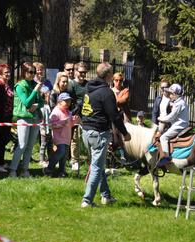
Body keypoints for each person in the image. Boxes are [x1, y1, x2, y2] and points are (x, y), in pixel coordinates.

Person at [80, 62, 131, 208]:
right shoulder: (106, 92)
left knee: (99, 165)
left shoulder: (88, 88)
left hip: (86, 131)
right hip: (98, 133)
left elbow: (83, 107)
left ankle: (106, 196)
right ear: (109, 75)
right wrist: (125, 133)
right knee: (96, 167)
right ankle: (87, 200)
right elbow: (114, 116)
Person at [9, 62, 44, 177]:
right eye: (30, 72)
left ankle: (25, 170)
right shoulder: (19, 85)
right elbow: (27, 102)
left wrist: (37, 105)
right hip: (23, 118)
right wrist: (35, 90)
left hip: (35, 118)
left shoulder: (34, 83)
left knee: (30, 146)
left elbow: (42, 102)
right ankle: (13, 170)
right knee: (22, 145)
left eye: (34, 72)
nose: (33, 74)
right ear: (24, 72)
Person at [43, 92, 79, 177]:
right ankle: (49, 168)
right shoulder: (56, 111)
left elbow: (70, 124)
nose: (68, 103)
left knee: (64, 155)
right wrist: (62, 123)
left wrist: (74, 121)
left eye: (69, 101)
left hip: (67, 137)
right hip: (59, 137)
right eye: (66, 101)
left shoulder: (68, 112)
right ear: (59, 101)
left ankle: (61, 171)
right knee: (61, 152)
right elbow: (51, 125)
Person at [157, 83, 189, 166]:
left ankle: (166, 157)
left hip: (180, 125)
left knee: (163, 137)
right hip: (179, 124)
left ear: (175, 94)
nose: (169, 96)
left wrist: (161, 119)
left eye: (171, 94)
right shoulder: (179, 102)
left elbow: (171, 117)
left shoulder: (179, 104)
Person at [33, 62, 53, 167]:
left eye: (41, 69)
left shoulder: (48, 82)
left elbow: (50, 94)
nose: (40, 71)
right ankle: (39, 157)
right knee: (40, 134)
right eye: (37, 69)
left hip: (47, 109)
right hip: (37, 110)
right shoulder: (33, 82)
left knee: (46, 135)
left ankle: (48, 158)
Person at [69, 62, 88, 171]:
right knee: (75, 138)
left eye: (84, 72)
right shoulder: (72, 84)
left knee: (87, 137)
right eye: (81, 72)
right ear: (76, 72)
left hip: (86, 114)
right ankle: (75, 160)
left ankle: (89, 159)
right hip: (75, 113)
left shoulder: (88, 84)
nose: (82, 74)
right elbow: (70, 100)